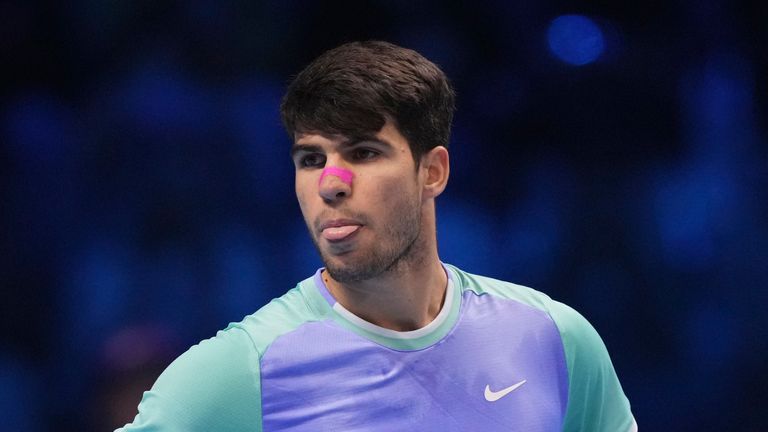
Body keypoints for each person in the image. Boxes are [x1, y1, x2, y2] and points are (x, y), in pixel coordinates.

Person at [118, 40, 636, 431]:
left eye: (364, 153)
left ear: (432, 172)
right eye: (311, 159)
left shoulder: (553, 338)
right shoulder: (240, 371)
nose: (331, 184)